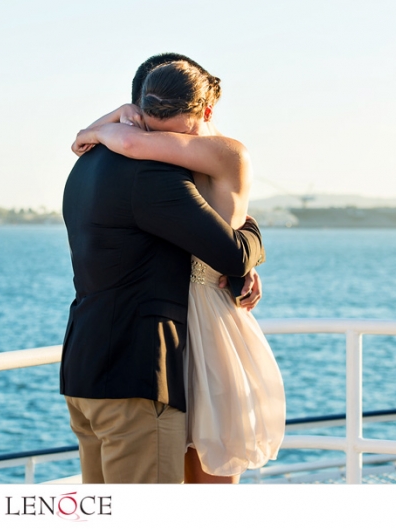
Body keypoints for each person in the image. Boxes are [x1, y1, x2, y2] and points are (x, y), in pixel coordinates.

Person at [71, 58, 286, 484]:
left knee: (210, 471)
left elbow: (130, 143)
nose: (158, 132)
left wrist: (100, 129)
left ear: (205, 111)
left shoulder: (219, 151)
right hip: (167, 334)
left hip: (204, 324)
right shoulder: (168, 162)